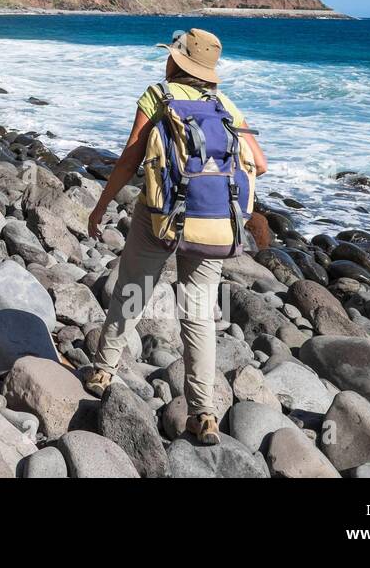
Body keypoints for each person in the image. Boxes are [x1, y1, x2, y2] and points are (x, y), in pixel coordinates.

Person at [82, 28, 267, 445]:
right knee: (199, 314)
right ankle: (203, 414)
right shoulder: (225, 105)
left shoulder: (158, 96)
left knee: (132, 290)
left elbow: (131, 156)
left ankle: (102, 371)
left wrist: (101, 205)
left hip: (160, 216)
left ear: (176, 62)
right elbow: (260, 163)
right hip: (213, 222)